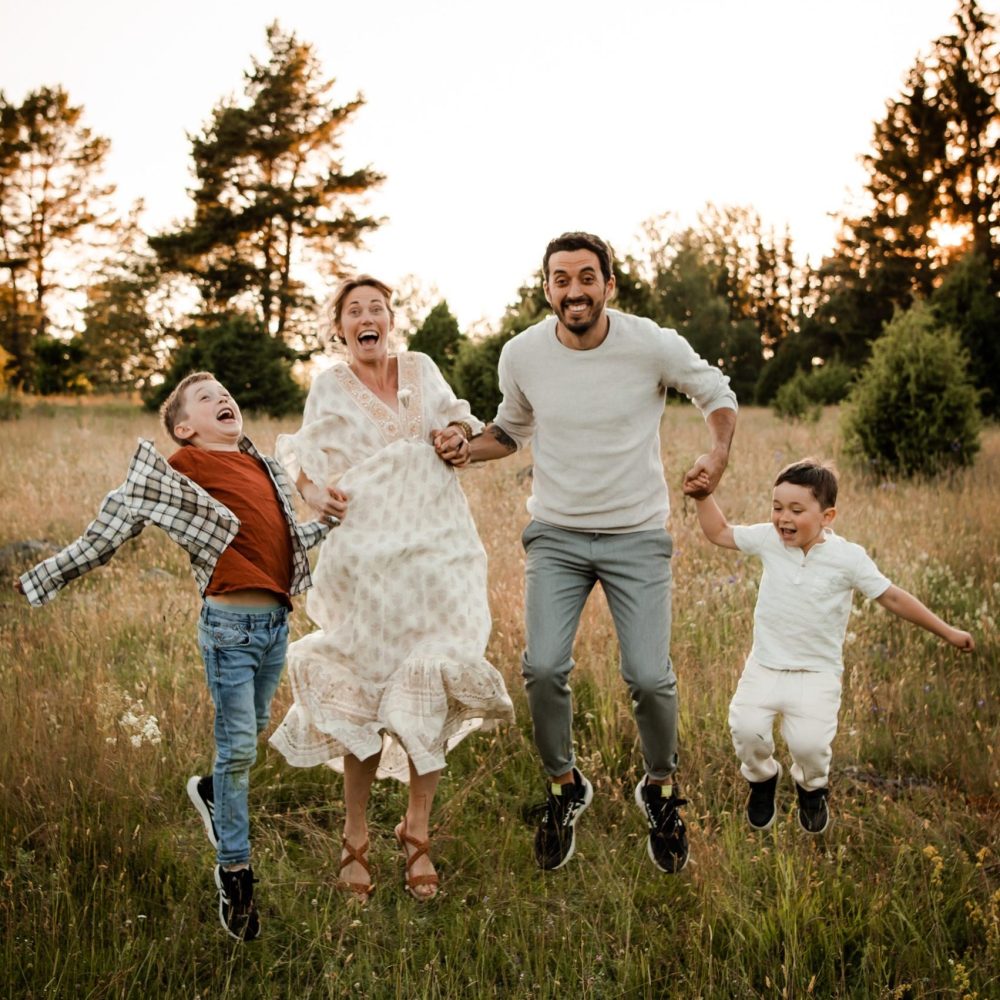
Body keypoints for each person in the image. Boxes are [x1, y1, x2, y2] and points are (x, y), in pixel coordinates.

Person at [458, 232, 738, 874]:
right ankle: (564, 787)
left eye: (587, 277)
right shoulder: (522, 353)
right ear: (548, 288)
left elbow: (716, 394)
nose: (574, 290)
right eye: (561, 279)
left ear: (609, 285)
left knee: (648, 677)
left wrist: (716, 454)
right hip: (555, 534)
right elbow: (510, 429)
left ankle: (661, 791)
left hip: (636, 534)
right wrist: (462, 448)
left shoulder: (651, 344)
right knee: (544, 668)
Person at [15, 372, 331, 941]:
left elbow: (281, 542)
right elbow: (109, 529)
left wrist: (327, 525)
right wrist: (45, 576)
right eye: (207, 399)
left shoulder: (262, 468)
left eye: (227, 394)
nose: (224, 400)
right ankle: (235, 873)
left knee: (251, 737)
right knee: (236, 748)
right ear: (185, 428)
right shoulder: (182, 468)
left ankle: (211, 791)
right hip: (229, 629)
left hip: (275, 626)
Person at [268, 274, 514, 902]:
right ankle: (356, 836)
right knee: (368, 686)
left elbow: (460, 425)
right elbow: (304, 465)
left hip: (439, 551)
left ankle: (417, 831)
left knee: (432, 674)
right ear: (340, 328)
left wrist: (455, 438)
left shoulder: (423, 368)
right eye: (355, 310)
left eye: (377, 307)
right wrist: (314, 492)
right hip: (369, 560)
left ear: (391, 320)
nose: (367, 316)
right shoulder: (328, 386)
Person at [688, 458, 975, 834]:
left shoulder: (847, 558)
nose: (782, 518)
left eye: (795, 510)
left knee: (809, 747)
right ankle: (761, 781)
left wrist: (947, 631)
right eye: (776, 507)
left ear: (828, 516)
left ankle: (812, 789)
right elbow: (720, 532)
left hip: (817, 673)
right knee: (746, 730)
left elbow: (891, 597)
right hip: (766, 666)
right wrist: (703, 496)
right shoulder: (769, 541)